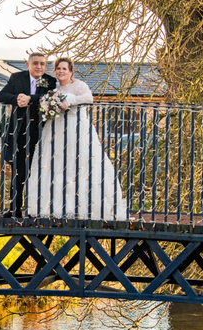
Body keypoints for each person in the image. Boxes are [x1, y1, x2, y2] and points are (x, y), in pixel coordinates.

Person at [26, 57, 128, 221]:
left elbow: (89, 98)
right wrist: (50, 104)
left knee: (80, 164)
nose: (61, 71)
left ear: (71, 71)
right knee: (55, 164)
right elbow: (41, 98)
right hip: (55, 128)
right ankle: (51, 205)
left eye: (64, 69)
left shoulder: (79, 85)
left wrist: (69, 100)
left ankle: (83, 206)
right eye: (58, 68)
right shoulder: (52, 85)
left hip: (76, 129)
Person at [0, 53, 54, 218]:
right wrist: (17, 99)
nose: (39, 67)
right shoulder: (17, 78)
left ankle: (36, 208)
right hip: (20, 132)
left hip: (42, 133)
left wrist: (31, 99)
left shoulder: (49, 80)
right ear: (27, 65)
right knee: (18, 171)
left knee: (40, 171)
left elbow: (50, 98)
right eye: (35, 63)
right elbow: (2, 96)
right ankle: (15, 208)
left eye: (43, 64)